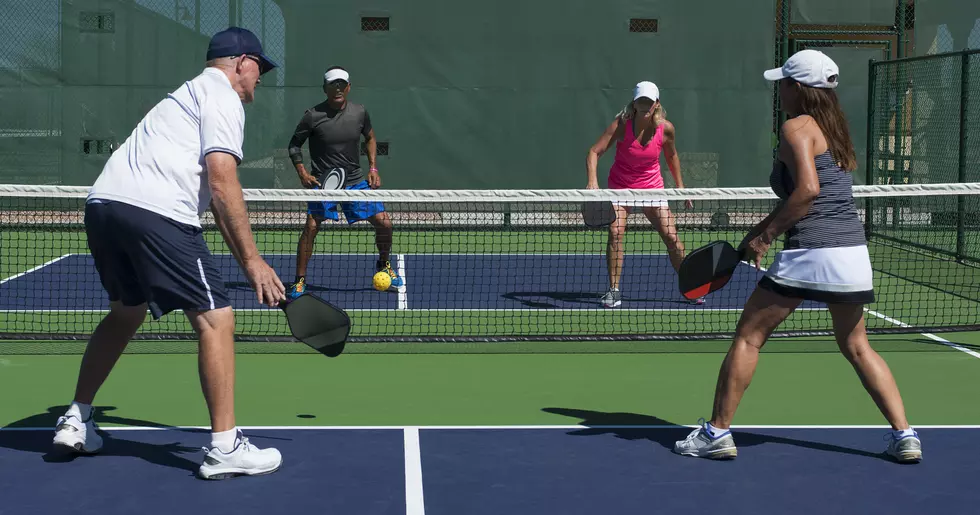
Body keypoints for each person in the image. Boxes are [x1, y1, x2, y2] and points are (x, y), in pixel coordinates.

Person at [52, 27, 288, 480]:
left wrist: (246, 258)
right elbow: (222, 183)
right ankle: (224, 448)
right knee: (215, 317)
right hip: (156, 212)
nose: (261, 78)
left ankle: (76, 418)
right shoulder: (222, 96)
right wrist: (253, 260)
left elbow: (214, 199)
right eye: (259, 67)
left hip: (104, 207)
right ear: (240, 62)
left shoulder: (182, 96)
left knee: (126, 312)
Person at [672, 49, 922, 463]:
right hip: (852, 254)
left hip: (813, 250)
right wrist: (757, 233)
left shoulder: (796, 128)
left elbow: (807, 192)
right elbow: (803, 196)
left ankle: (716, 432)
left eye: (783, 83)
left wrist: (768, 235)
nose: (779, 90)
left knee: (749, 337)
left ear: (798, 89)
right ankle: (905, 435)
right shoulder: (833, 129)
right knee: (858, 345)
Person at [285, 66, 402, 298]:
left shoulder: (359, 112)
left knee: (384, 223)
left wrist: (373, 167)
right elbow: (294, 145)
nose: (337, 89)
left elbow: (370, 137)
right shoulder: (312, 116)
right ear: (325, 88)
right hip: (324, 184)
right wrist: (302, 172)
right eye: (332, 85)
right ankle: (299, 282)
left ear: (348, 87)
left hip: (356, 182)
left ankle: (384, 264)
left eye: (341, 84)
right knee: (310, 228)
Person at [586, 81, 696, 308]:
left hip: (652, 188)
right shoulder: (621, 124)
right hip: (620, 187)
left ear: (656, 104)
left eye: (649, 101)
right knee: (615, 233)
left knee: (672, 238)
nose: (645, 105)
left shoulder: (666, 129)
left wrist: (680, 187)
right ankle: (614, 291)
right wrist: (592, 182)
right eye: (641, 101)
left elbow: (672, 156)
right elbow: (594, 152)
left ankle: (690, 286)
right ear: (634, 104)